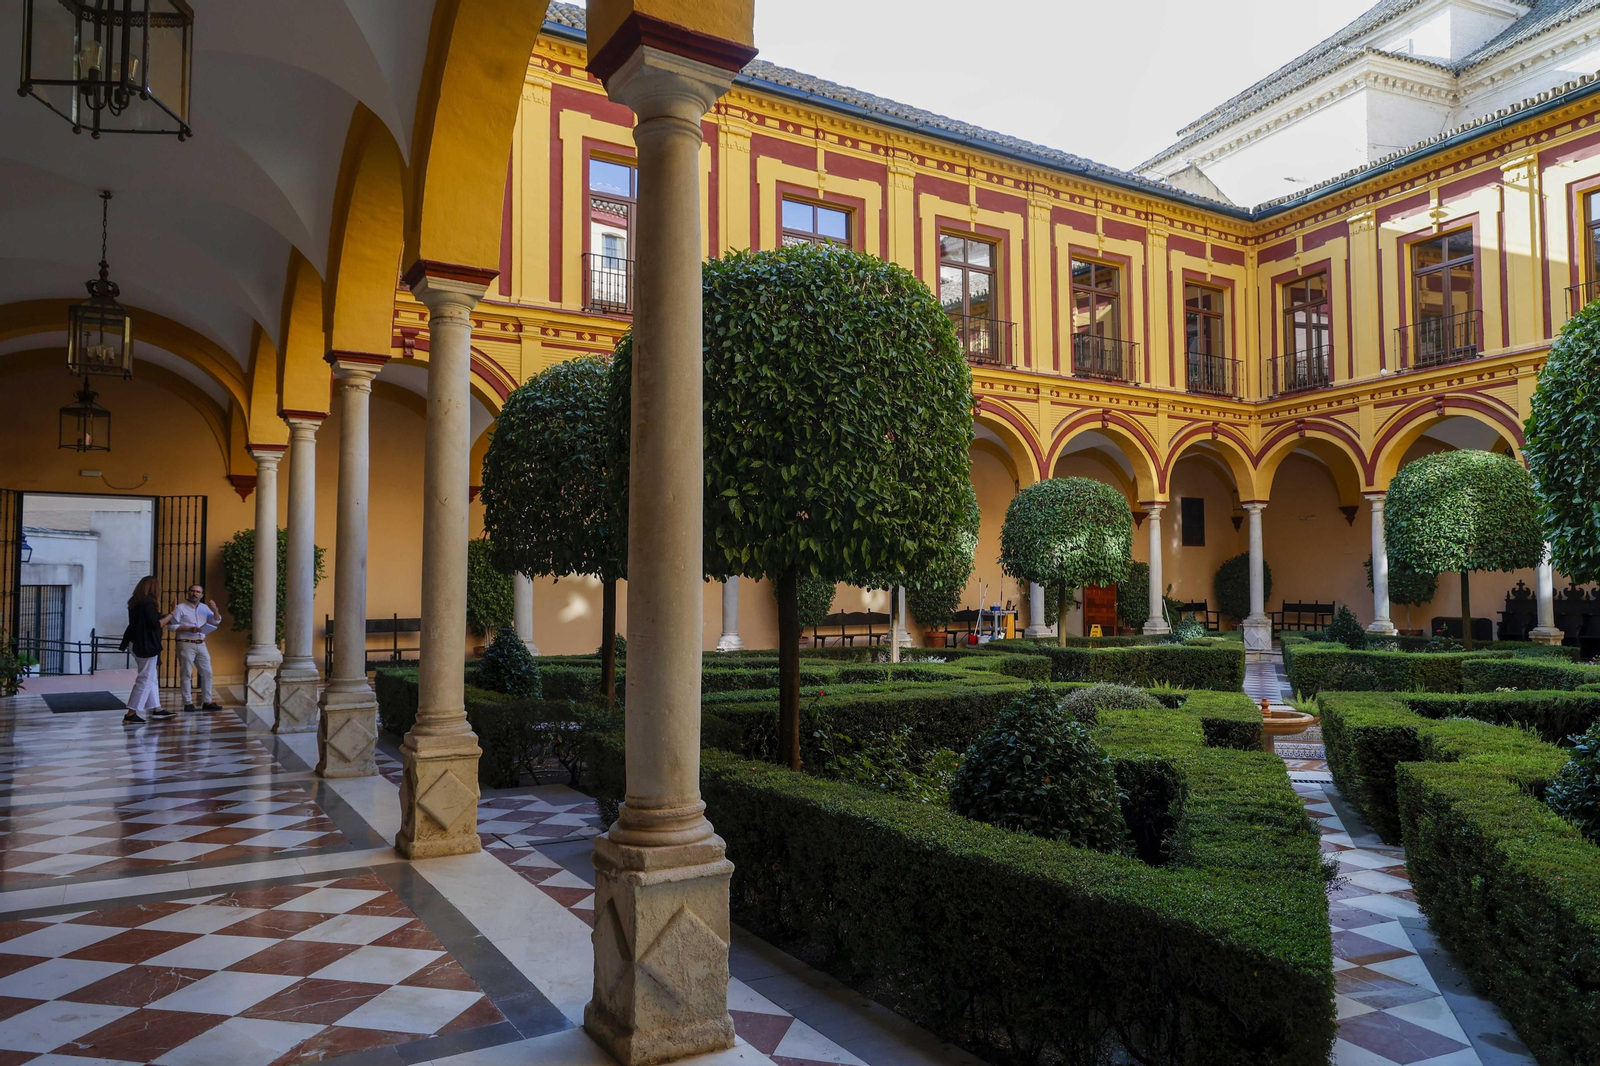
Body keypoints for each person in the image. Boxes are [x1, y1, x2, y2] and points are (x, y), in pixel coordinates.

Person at [124, 576, 174, 725]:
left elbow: (146, 620)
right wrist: (172, 613)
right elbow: (155, 624)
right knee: (145, 678)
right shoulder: (148, 602)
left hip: (135, 642)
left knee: (151, 677)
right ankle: (131, 712)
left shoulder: (135, 601)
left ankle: (157, 708)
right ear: (153, 588)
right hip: (146, 645)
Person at [169, 582, 222, 713]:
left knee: (207, 672)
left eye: (198, 592)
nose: (195, 593)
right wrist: (189, 628)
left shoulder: (204, 608)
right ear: (188, 593)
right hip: (186, 643)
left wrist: (215, 610)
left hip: (201, 643)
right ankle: (188, 703)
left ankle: (207, 701)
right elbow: (171, 626)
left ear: (202, 595)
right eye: (193, 591)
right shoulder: (180, 608)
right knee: (186, 673)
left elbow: (216, 620)